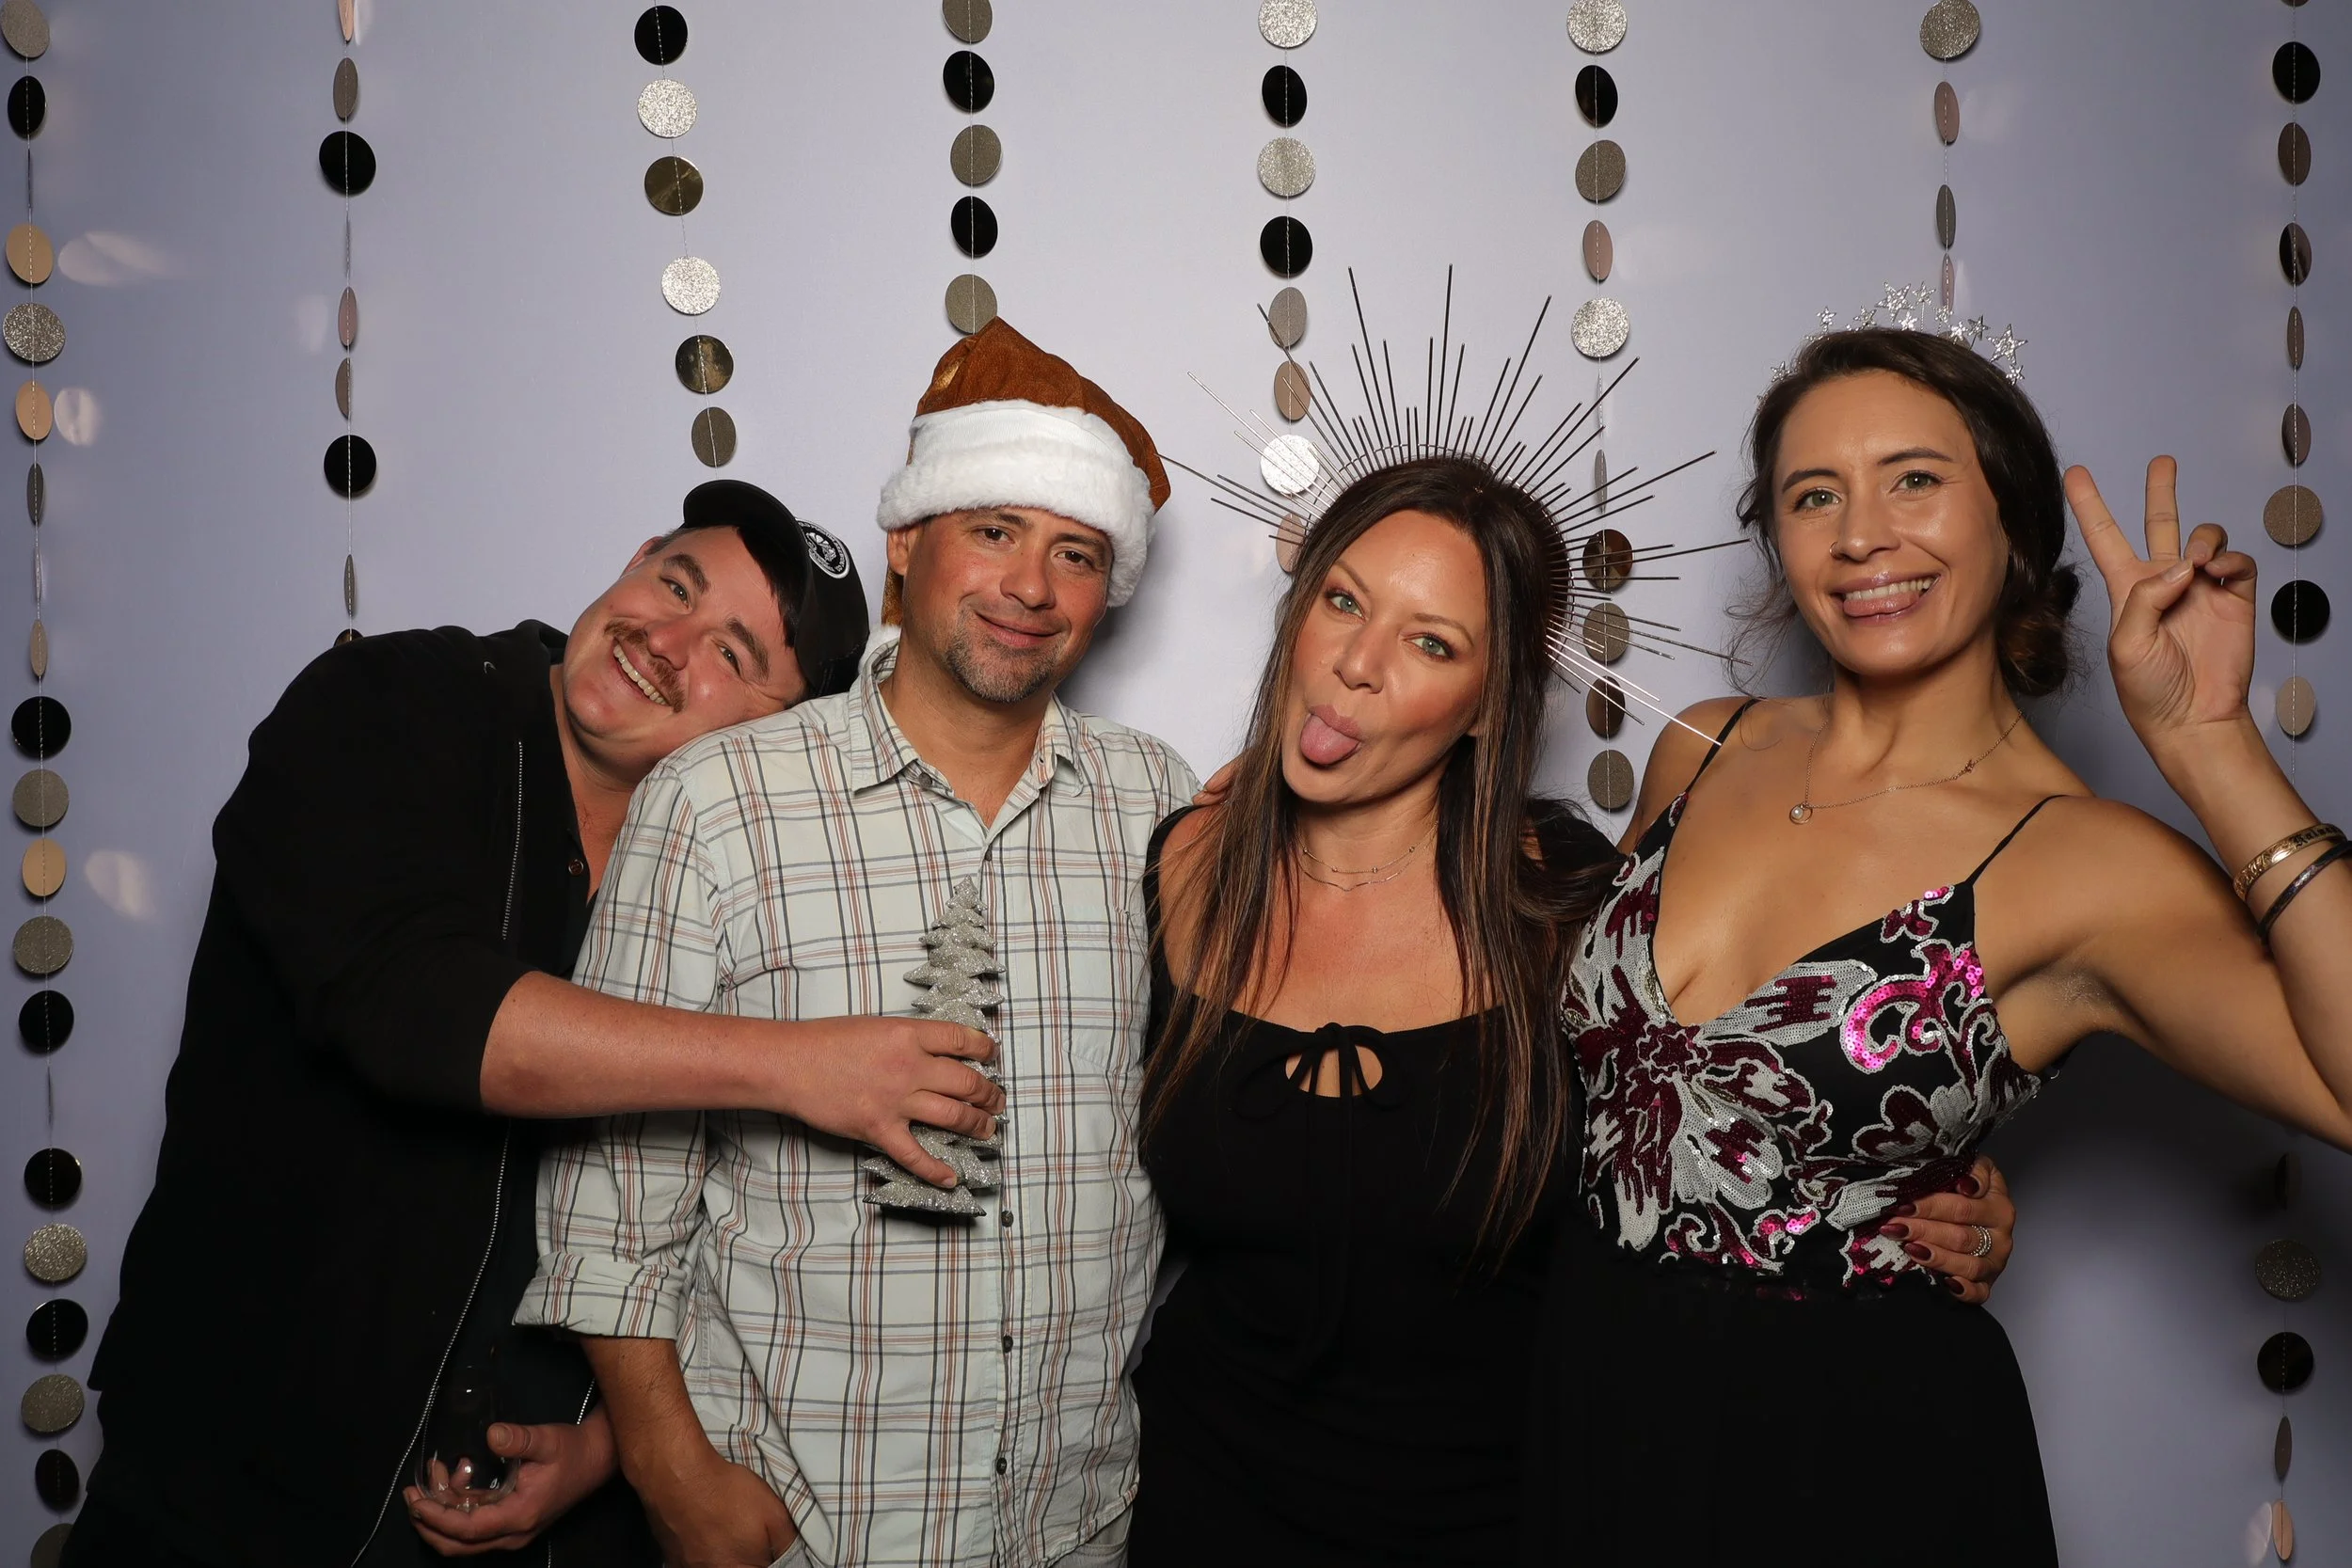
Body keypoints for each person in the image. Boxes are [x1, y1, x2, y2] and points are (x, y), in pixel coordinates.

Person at [69, 482, 1007, 1568]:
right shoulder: (387, 703)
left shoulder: (751, 865)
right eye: (674, 583)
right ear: (638, 553)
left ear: (777, 729)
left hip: (544, 1517)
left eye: (733, 653)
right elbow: (415, 1005)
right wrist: (798, 1065)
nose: (664, 639)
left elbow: (745, 1225)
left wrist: (619, 1447)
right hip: (236, 1476)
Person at [1545, 327, 2352, 1563]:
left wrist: (2213, 746)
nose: (1862, 533)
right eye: (1816, 495)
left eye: (1914, 478)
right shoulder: (1703, 747)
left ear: (2012, 523)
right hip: (1589, 1417)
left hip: (1857, 1468)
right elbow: (1641, 1089)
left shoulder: (2083, 858)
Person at [1126, 454, 2016, 1565]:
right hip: (1200, 1505)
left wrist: (1932, 1190)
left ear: (1487, 706)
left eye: (1431, 641)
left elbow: (1773, 1096)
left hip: (1510, 1514)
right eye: (1342, 600)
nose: (1354, 664)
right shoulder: (1180, 861)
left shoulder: (1569, 903)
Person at [520, 321, 1197, 1568]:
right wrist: (680, 1486)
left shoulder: (1159, 804)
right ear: (906, 543)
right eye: (992, 530)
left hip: (1073, 1527)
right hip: (799, 1529)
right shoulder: (720, 799)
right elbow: (610, 1197)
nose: (1030, 587)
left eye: (1077, 552)